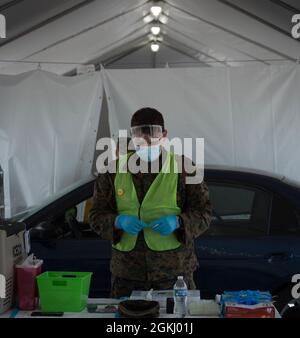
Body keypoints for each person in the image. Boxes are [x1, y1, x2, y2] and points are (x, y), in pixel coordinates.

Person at [89, 107, 212, 298]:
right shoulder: (112, 171)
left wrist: (179, 222)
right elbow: (96, 215)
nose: (145, 145)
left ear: (164, 135)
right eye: (140, 140)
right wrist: (117, 221)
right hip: (127, 275)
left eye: (151, 139)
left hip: (174, 274)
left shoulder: (185, 169)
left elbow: (204, 213)